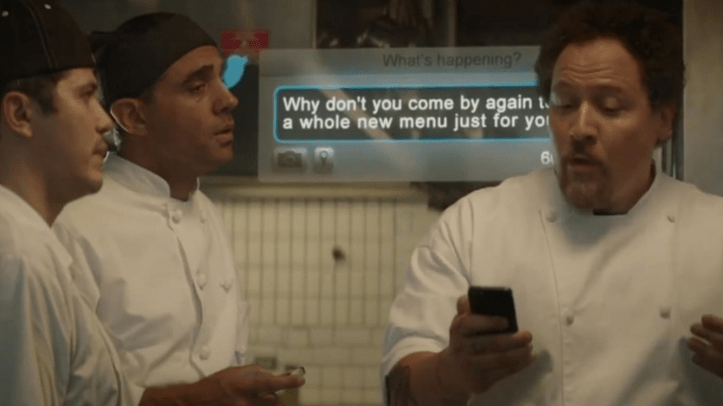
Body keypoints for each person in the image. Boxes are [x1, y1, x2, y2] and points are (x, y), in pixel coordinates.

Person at [381, 1, 723, 405]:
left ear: (664, 119)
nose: (580, 128)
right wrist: (452, 371)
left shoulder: (714, 234)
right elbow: (400, 390)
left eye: (610, 107)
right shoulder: (474, 226)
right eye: (564, 103)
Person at [51, 11, 299, 398]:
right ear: (134, 117)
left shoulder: (207, 213)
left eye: (221, 78)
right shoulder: (74, 225)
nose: (228, 99)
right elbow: (61, 390)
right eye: (197, 87)